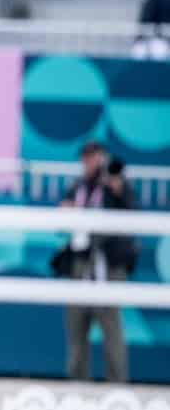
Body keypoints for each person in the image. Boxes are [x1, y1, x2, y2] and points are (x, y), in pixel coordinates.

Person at [57, 142, 135, 383]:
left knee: (110, 323)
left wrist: (116, 187)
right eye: (84, 158)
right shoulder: (78, 187)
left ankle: (117, 383)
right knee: (76, 323)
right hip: (80, 261)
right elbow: (63, 216)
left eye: (92, 157)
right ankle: (77, 382)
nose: (87, 162)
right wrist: (66, 210)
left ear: (101, 158)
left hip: (108, 263)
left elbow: (132, 210)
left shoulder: (114, 183)